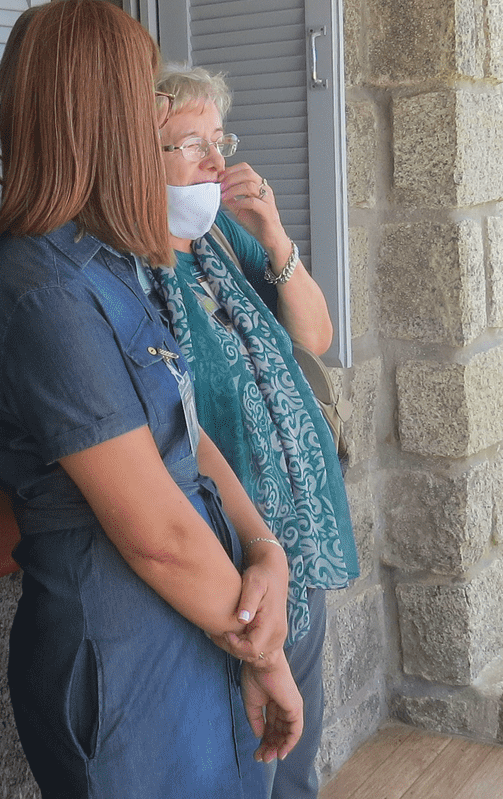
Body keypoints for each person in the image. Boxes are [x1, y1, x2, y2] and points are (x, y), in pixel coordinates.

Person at [0, 0, 301, 798]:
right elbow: (157, 535)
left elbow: (182, 430)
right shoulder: (44, 293)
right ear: (99, 111)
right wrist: (267, 653)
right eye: (143, 89)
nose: (156, 108)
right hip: (125, 653)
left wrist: (265, 548)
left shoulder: (108, 261)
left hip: (194, 621)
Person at [150, 64, 359, 799]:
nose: (218, 161)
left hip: (292, 529)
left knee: (296, 746)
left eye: (219, 139)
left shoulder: (219, 244)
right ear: (136, 160)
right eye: (190, 144)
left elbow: (318, 333)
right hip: (221, 550)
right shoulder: (122, 269)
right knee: (244, 757)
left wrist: (273, 234)